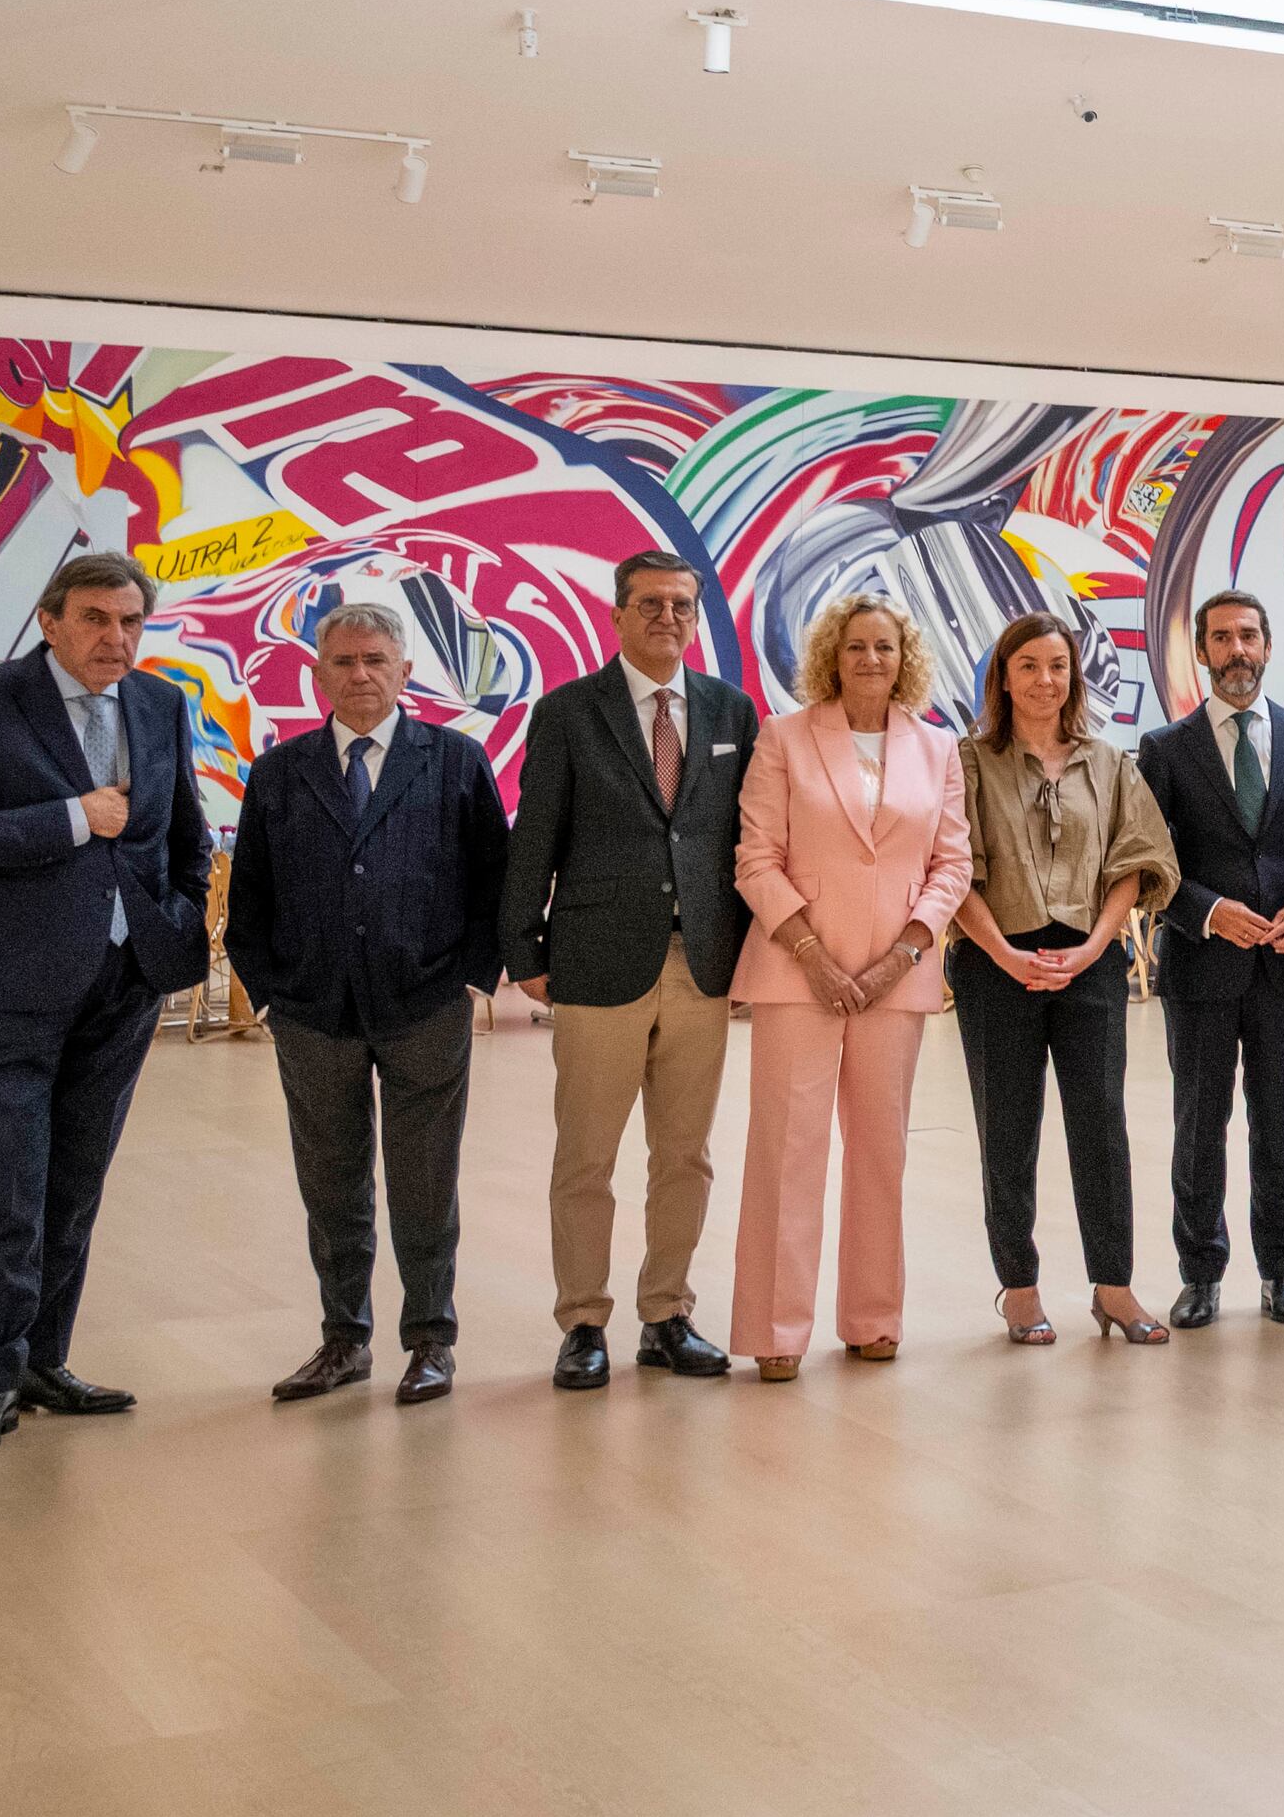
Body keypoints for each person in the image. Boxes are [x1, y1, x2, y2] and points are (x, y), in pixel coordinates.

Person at [0, 550, 214, 1457]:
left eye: (128, 621)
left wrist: (179, 914)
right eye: (93, 618)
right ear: (49, 620)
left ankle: (46, 1359)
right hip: (9, 986)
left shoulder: (161, 703)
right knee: (9, 1184)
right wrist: (76, 816)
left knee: (75, 1184)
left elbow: (185, 832)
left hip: (124, 983)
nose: (113, 638)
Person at [224, 599, 510, 1408]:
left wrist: (469, 977)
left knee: (424, 1180)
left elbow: (496, 876)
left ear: (405, 671)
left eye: (375, 660)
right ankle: (343, 1338)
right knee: (331, 1181)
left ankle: (430, 1339)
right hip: (314, 1012)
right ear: (317, 675)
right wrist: (274, 994)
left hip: (424, 1004)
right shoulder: (281, 772)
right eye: (344, 662)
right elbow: (249, 899)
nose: (360, 675)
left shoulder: (453, 760)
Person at [500, 546, 759, 1388]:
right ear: (617, 614)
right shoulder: (571, 710)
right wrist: (524, 950)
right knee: (587, 1155)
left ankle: (666, 1312)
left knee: (685, 1154)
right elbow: (532, 836)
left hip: (702, 965)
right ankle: (582, 1321)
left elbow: (743, 838)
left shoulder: (729, 710)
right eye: (649, 603)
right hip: (597, 960)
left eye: (682, 604)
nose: (667, 618)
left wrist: (751, 950)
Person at [727, 593, 972, 1380]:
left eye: (886, 647)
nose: (871, 658)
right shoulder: (786, 738)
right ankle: (775, 1328)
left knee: (879, 1153)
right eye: (857, 645)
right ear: (833, 654)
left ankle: (872, 1317)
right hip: (799, 975)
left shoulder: (937, 750)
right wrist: (812, 954)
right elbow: (755, 857)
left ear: (907, 660)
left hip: (893, 981)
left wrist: (901, 955)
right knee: (786, 1152)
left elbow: (953, 865)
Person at [953, 615, 1179, 1348]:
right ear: (1004, 676)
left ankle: (1113, 1284)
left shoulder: (1110, 762)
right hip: (996, 964)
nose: (1045, 680)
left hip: (1089, 966)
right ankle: (1019, 1287)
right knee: (1007, 1128)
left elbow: (1137, 861)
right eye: (1028, 665)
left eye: (1058, 665)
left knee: (1101, 1127)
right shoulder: (969, 761)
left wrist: (1090, 949)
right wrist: (1003, 951)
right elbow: (951, 869)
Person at [1138, 588, 1284, 1328]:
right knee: (1199, 1124)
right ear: (1203, 650)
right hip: (1199, 966)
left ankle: (1283, 1271)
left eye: (1248, 635)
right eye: (1222, 637)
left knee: (1278, 1123)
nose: (1237, 650)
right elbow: (1150, 861)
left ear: (1268, 645)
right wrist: (1209, 912)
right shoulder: (1165, 748)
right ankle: (1201, 1272)